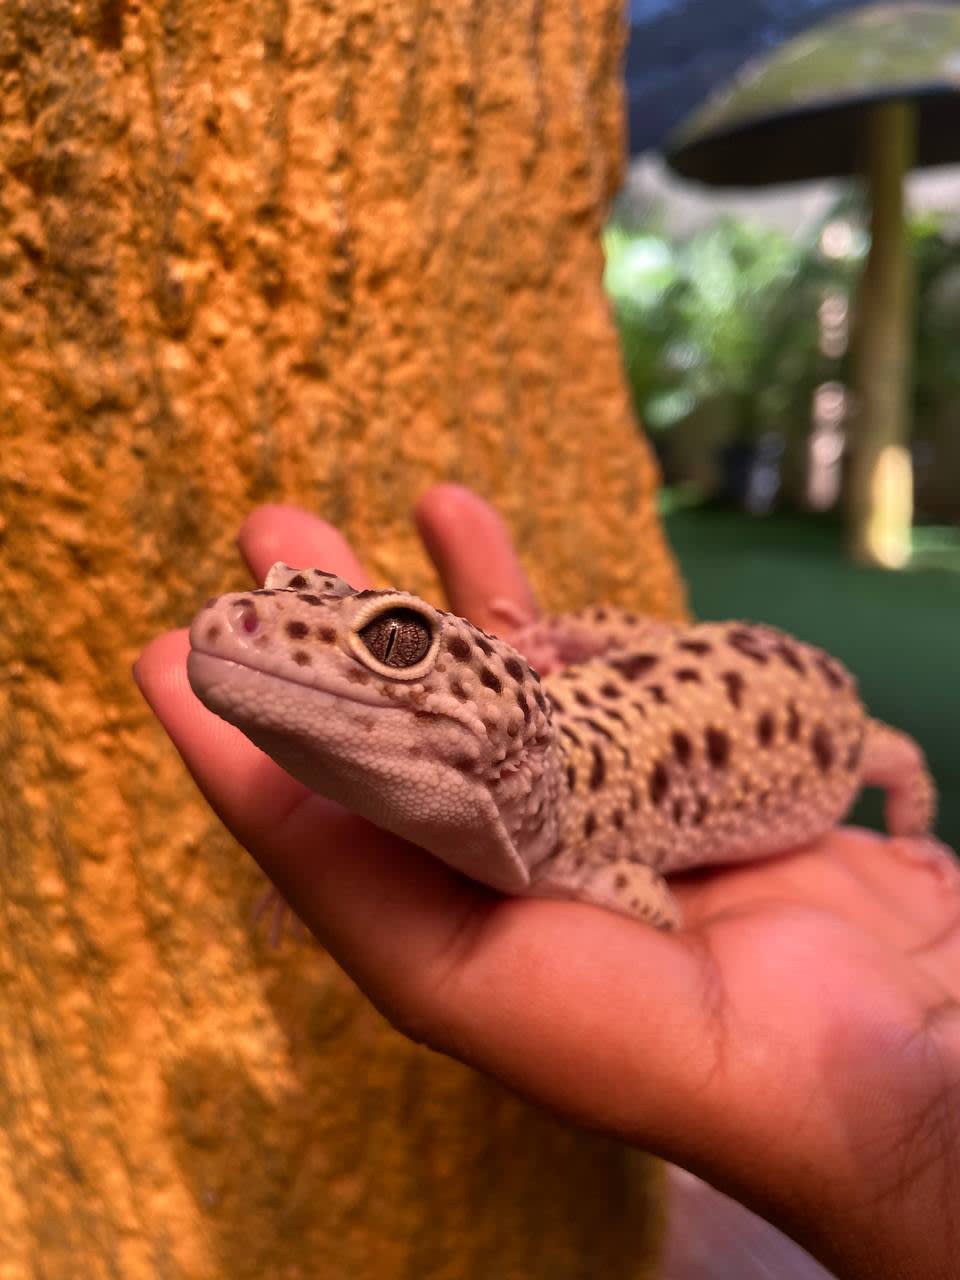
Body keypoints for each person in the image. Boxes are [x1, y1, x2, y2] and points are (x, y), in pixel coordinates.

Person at [135, 485, 960, 1280]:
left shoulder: (600, 864)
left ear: (513, 748)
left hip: (807, 705)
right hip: (668, 677)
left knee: (902, 761)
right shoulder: (485, 776)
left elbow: (657, 911)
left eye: (396, 645)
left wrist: (913, 838)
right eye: (284, 596)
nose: (242, 617)